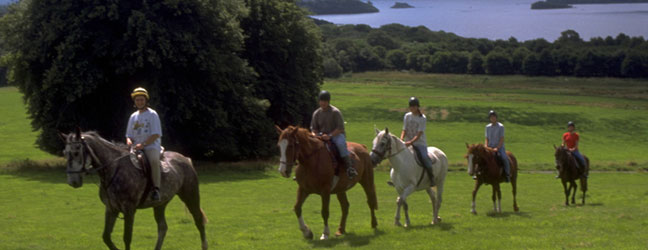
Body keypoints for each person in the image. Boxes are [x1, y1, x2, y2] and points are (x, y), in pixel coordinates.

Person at [310, 90, 358, 179]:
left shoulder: (335, 112)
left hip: (336, 135)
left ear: (328, 101)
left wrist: (329, 136)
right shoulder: (316, 113)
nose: (323, 103)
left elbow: (340, 128)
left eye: (325, 101)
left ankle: (349, 167)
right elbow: (313, 128)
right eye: (321, 101)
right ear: (319, 101)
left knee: (340, 145)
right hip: (321, 136)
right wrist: (315, 135)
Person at [126, 87, 163, 201]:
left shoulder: (152, 114)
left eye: (141, 100)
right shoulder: (133, 116)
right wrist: (129, 142)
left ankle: (156, 188)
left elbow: (156, 134)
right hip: (135, 147)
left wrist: (143, 144)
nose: (139, 102)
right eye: (137, 100)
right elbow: (128, 135)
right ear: (134, 101)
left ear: (146, 100)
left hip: (151, 146)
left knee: (153, 161)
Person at [401, 97, 436, 186]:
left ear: (417, 107)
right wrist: (401, 140)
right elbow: (404, 130)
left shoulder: (422, 118)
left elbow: (419, 133)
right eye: (410, 107)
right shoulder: (407, 116)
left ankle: (431, 177)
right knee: (397, 156)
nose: (411, 108)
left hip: (419, 143)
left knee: (424, 157)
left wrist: (410, 142)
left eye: (413, 107)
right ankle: (396, 179)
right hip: (407, 143)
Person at [485, 110, 511, 182]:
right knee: (481, 157)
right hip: (490, 147)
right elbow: (486, 138)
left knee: (504, 158)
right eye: (491, 117)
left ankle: (507, 174)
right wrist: (486, 146)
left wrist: (497, 148)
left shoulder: (501, 127)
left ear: (496, 117)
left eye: (494, 117)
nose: (492, 118)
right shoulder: (487, 127)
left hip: (499, 147)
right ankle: (478, 173)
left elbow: (502, 139)